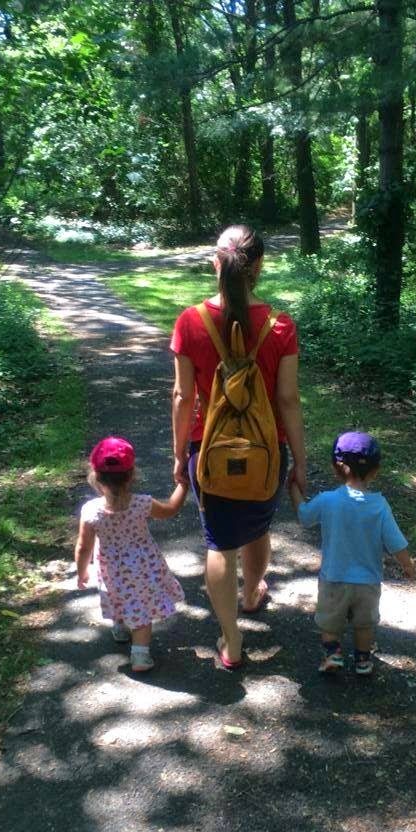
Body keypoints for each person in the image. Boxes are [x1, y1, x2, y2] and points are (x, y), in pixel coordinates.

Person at [170, 224, 306, 670]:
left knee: (219, 541)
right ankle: (251, 594)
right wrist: (300, 462)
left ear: (216, 263)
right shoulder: (280, 325)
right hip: (266, 452)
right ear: (259, 267)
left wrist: (178, 457)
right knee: (258, 526)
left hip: (207, 452)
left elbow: (182, 397)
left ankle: (231, 642)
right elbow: (287, 399)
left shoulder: (191, 322)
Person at [289, 431, 416, 676]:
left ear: (336, 467)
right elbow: (395, 542)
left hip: (333, 578)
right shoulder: (379, 505)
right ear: (375, 470)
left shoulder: (327, 500)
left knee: (330, 621)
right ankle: (363, 661)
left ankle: (333, 654)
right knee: (364, 624)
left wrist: (293, 489)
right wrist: (407, 565)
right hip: (367, 582)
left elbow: (304, 516)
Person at [75, 436, 187, 673]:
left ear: (95, 476)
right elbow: (170, 510)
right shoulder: (142, 504)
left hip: (111, 568)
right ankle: (140, 656)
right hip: (144, 567)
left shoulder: (90, 511)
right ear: (132, 474)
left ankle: (119, 627)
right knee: (142, 609)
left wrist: (82, 570)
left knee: (117, 595)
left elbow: (84, 546)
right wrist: (183, 486)